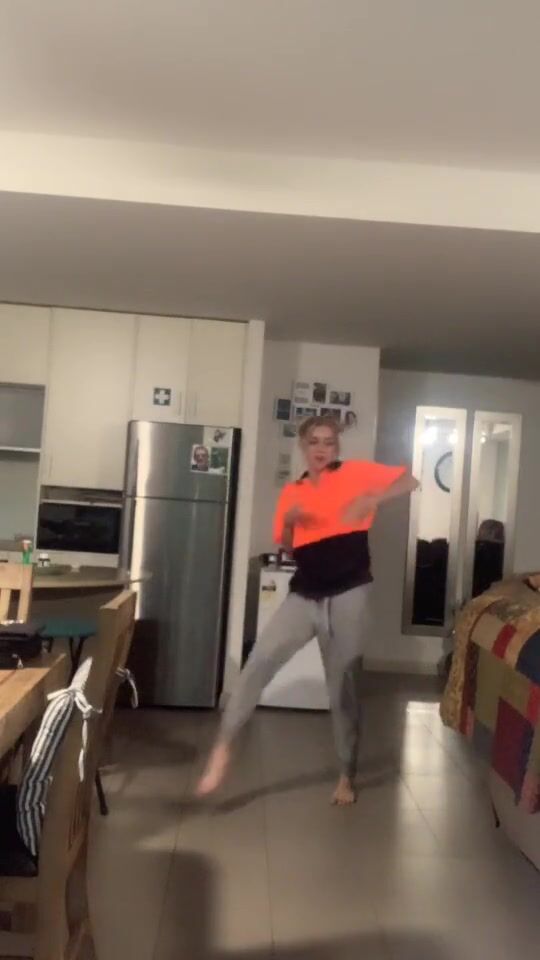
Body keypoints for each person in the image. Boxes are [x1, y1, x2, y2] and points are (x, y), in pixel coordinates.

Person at [197, 416, 419, 805]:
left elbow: (410, 480)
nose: (321, 448)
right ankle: (223, 749)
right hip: (304, 596)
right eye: (314, 441)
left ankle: (346, 775)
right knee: (258, 663)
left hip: (349, 593)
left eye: (329, 442)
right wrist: (289, 520)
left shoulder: (353, 474)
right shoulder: (293, 491)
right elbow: (285, 544)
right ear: (303, 445)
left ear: (337, 447)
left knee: (342, 687)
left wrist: (373, 499)